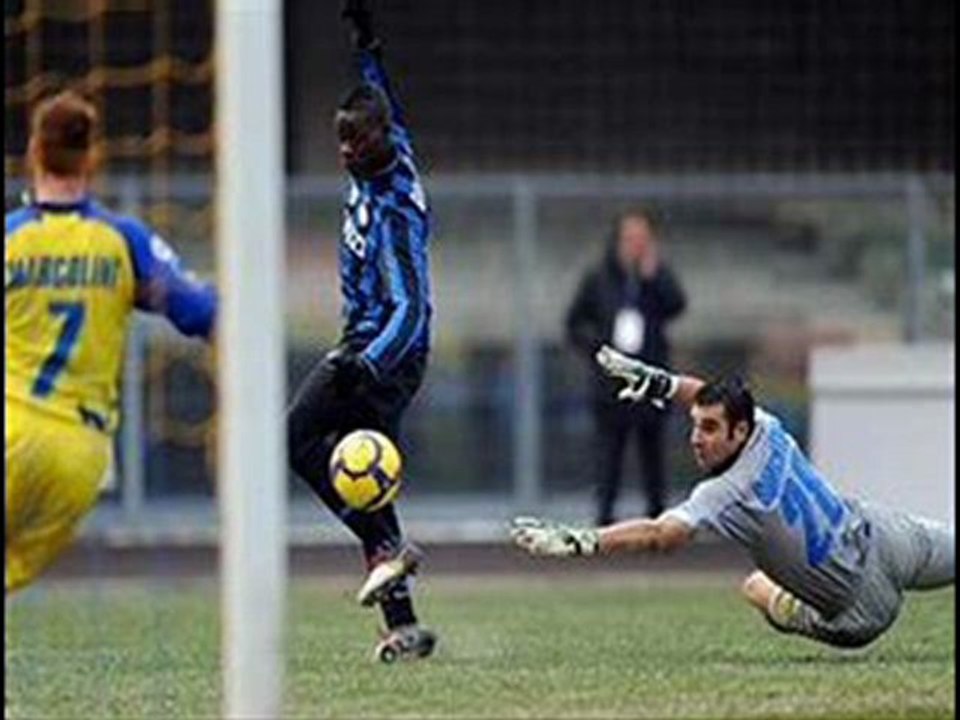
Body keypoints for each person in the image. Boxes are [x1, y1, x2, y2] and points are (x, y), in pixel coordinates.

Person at [511, 345, 955, 649]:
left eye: (709, 429)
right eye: (695, 425)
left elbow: (661, 535)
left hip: (860, 605)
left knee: (754, 587)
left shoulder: (725, 493)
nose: (696, 439)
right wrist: (662, 384)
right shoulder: (763, 424)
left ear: (737, 431)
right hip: (882, 540)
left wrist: (583, 540)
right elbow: (706, 397)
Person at [5, 90, 217, 595]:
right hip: (81, 460)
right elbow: (202, 313)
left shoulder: (11, 237)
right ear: (93, 156)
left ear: (35, 151)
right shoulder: (125, 241)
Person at [285, 0, 436, 663]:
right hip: (365, 344)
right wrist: (365, 42)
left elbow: (411, 307)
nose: (346, 151)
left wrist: (366, 365)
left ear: (379, 143)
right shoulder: (389, 137)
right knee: (357, 469)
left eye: (356, 142)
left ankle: (382, 546)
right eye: (341, 141)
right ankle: (401, 621)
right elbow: (380, 94)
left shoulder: (395, 207)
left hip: (386, 353)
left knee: (298, 437)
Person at [565, 208, 686, 525]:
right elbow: (574, 323)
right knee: (608, 453)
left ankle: (657, 520)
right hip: (612, 383)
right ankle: (604, 521)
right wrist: (599, 351)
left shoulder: (656, 275)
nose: (636, 245)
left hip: (651, 378)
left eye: (642, 239)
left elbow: (677, 305)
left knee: (653, 453)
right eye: (630, 238)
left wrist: (653, 277)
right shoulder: (598, 278)